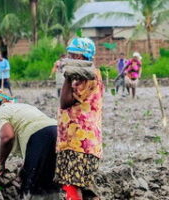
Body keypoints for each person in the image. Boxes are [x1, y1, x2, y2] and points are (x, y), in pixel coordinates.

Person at [0, 88, 59, 199]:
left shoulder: (0, 112)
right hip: (58, 133)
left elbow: (7, 137)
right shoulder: (20, 106)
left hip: (40, 136)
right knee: (48, 183)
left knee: (29, 188)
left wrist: (1, 162)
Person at [57, 37, 103, 200]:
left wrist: (67, 76)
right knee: (86, 191)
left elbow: (64, 102)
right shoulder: (85, 76)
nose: (69, 58)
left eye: (73, 56)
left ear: (82, 58)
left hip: (80, 143)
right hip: (76, 142)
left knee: (72, 185)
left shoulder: (88, 77)